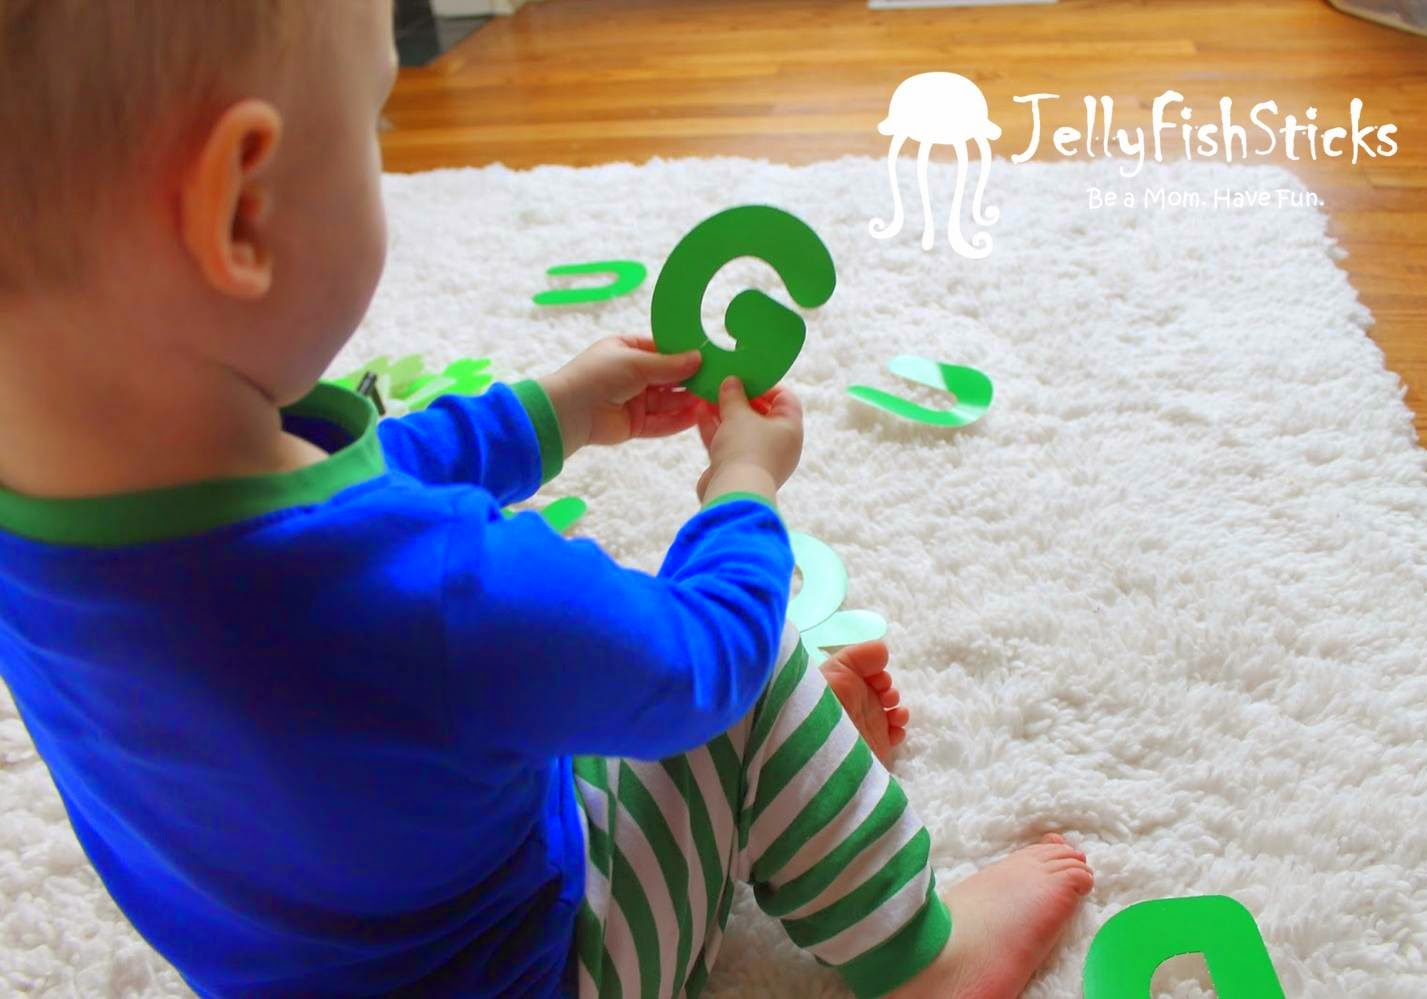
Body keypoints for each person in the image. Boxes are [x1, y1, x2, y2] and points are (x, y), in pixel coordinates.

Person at [0, 2, 1093, 996]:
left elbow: (336, 489)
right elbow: (693, 663)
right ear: (243, 210)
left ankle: (779, 801)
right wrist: (742, 483)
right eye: (373, 130)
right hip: (546, 968)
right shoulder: (440, 592)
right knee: (751, 659)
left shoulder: (49, 525)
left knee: (530, 706)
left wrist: (552, 412)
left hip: (335, 938)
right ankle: (924, 956)